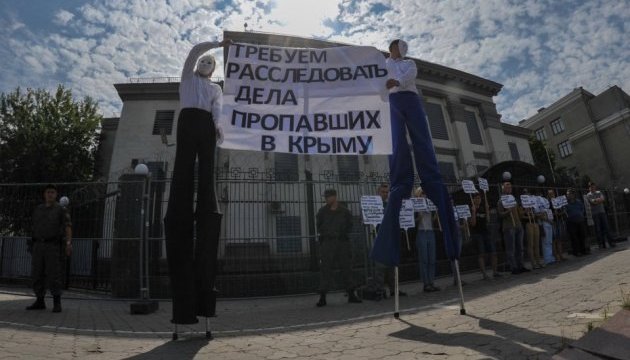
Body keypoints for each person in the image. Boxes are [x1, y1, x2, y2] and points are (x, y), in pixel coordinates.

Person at [371, 39, 458, 270]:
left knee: (421, 139)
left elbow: (408, 77)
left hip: (409, 99)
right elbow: (380, 87)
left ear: (402, 49)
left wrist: (395, 81)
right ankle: (401, 181)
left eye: (398, 46)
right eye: (393, 46)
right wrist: (385, 87)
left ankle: (431, 179)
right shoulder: (383, 65)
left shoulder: (409, 63)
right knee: (398, 143)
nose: (395, 49)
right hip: (392, 101)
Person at [163, 39, 231, 324]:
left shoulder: (216, 89)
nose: (204, 64)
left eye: (209, 63)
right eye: (204, 62)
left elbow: (218, 109)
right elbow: (193, 52)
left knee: (206, 174)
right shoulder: (187, 79)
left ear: (214, 71)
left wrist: (218, 127)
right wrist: (217, 44)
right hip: (188, 120)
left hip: (205, 124)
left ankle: (204, 300)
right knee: (182, 170)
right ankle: (184, 307)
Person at [27, 184, 72, 313]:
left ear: (56, 194)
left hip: (53, 246)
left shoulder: (60, 209)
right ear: (44, 194)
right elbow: (34, 226)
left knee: (54, 273)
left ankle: (57, 302)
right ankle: (39, 300)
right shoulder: (38, 209)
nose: (50, 194)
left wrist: (68, 243)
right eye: (48, 192)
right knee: (37, 273)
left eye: (52, 192)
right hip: (38, 245)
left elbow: (68, 227)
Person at [316, 189, 361, 307]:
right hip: (328, 243)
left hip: (342, 243)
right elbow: (319, 226)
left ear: (335, 197)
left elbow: (350, 225)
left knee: (347, 268)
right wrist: (327, 234)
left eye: (328, 197)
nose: (326, 199)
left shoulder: (344, 211)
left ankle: (351, 294)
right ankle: (322, 297)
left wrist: (342, 233)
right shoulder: (322, 211)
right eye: (326, 197)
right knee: (325, 269)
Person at [376, 183, 407, 297]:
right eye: (382, 192)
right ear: (378, 193)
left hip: (391, 237)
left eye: (386, 192)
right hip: (379, 238)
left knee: (392, 266)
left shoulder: (390, 205)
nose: (385, 194)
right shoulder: (374, 205)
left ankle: (394, 290)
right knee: (380, 266)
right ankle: (379, 291)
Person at [497, 182, 528, 274]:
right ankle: (513, 268)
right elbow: (500, 215)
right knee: (511, 249)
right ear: (503, 189)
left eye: (510, 187)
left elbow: (519, 214)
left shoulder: (514, 200)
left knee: (520, 248)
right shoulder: (501, 201)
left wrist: (524, 211)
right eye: (507, 188)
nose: (509, 189)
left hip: (518, 225)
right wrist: (508, 211)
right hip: (508, 227)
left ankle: (520, 265)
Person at [470, 193, 501, 279]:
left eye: (479, 198)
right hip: (477, 234)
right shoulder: (471, 209)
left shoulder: (483, 208)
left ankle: (495, 272)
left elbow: (488, 220)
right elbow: (473, 224)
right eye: (476, 198)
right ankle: (484, 274)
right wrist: (473, 212)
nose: (478, 200)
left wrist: (487, 210)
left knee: (493, 252)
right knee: (481, 254)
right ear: (472, 199)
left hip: (486, 232)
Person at [414, 187, 440, 292]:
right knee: (424, 259)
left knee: (432, 259)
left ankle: (431, 282)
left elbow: (433, 219)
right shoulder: (416, 206)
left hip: (430, 231)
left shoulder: (430, 204)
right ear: (418, 195)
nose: (424, 195)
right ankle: (426, 284)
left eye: (425, 193)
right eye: (422, 193)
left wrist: (436, 212)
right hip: (421, 232)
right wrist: (419, 215)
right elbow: (412, 222)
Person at [586, 182, 616, 249]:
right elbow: (592, 202)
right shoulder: (588, 195)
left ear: (595, 186)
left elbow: (603, 199)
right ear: (589, 188)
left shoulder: (599, 192)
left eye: (593, 186)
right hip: (595, 214)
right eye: (591, 187)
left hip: (602, 212)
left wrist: (597, 200)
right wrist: (598, 200)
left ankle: (611, 242)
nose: (592, 188)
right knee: (598, 230)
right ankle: (601, 244)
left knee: (607, 228)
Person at [520, 189, 542, 269]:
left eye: (528, 194)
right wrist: (526, 212)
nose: (528, 195)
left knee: (537, 244)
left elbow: (537, 213)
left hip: (535, 223)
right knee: (531, 244)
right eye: (526, 194)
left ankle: (538, 262)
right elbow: (521, 216)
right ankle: (533, 263)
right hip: (528, 224)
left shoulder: (533, 204)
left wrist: (536, 214)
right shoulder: (522, 204)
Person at [566, 189, 589, 256]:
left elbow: (582, 208)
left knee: (582, 236)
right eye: (567, 194)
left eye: (569, 194)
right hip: (571, 222)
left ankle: (583, 250)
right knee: (574, 237)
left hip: (580, 221)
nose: (568, 195)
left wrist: (581, 214)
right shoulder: (566, 203)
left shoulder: (578, 202)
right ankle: (576, 252)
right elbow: (565, 212)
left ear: (573, 195)